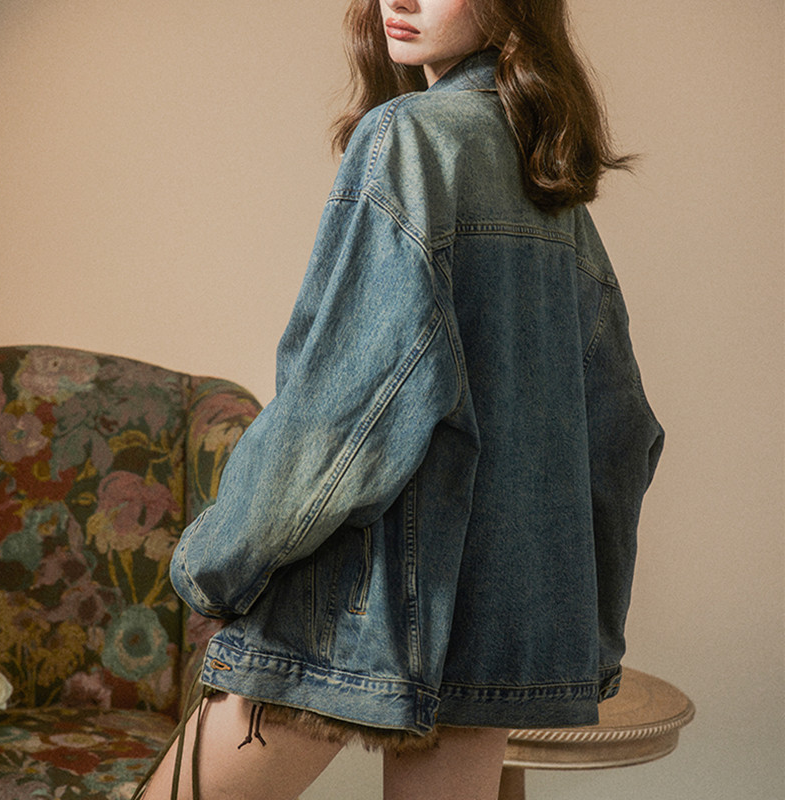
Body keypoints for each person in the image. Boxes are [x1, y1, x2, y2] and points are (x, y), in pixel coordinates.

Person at [137, 0, 664, 798]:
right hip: (489, 625)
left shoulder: (410, 136)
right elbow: (619, 435)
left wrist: (214, 564)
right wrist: (574, 629)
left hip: (349, 606)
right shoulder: (544, 178)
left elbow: (342, 408)